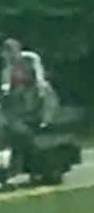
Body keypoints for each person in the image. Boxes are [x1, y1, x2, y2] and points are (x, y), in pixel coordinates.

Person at [0, 37, 55, 174]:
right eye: (7, 51)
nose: (9, 55)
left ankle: (13, 167)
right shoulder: (6, 66)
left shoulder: (30, 59)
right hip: (13, 107)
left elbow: (40, 84)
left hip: (29, 104)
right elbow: (5, 86)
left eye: (12, 50)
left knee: (18, 132)